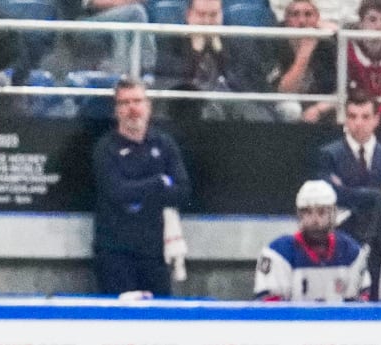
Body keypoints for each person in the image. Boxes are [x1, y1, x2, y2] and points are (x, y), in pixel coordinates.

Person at [91, 78, 189, 297]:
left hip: (155, 253)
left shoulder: (164, 144)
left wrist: (138, 190)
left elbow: (182, 192)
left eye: (137, 101)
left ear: (148, 106)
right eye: (125, 103)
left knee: (160, 324)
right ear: (116, 110)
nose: (132, 108)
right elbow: (117, 192)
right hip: (115, 253)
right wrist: (158, 183)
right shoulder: (105, 148)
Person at [316, 91, 381, 297]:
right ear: (345, 118)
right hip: (342, 243)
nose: (358, 123)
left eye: (365, 117)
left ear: (376, 119)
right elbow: (328, 194)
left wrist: (349, 194)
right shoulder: (329, 155)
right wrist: (376, 195)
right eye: (352, 116)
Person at [152, 0, 272, 121]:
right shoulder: (171, 43)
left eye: (213, 15)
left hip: (233, 106)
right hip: (188, 107)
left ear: (222, 15)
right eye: (201, 14)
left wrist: (220, 53)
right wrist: (195, 53)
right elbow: (173, 82)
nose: (207, 22)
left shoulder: (237, 43)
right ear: (189, 15)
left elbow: (245, 84)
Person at [255, 179, 368, 301]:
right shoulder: (279, 253)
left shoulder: (350, 252)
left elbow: (361, 305)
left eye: (321, 212)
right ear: (299, 215)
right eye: (308, 212)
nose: (315, 220)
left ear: (334, 214)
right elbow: (269, 308)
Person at [272, 0, 338, 122]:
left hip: (320, 103)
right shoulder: (275, 41)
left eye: (308, 14)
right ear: (286, 20)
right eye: (295, 15)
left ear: (317, 19)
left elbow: (342, 86)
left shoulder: (328, 44)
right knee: (291, 109)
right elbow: (284, 91)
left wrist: (318, 109)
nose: (302, 21)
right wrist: (305, 53)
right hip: (285, 104)